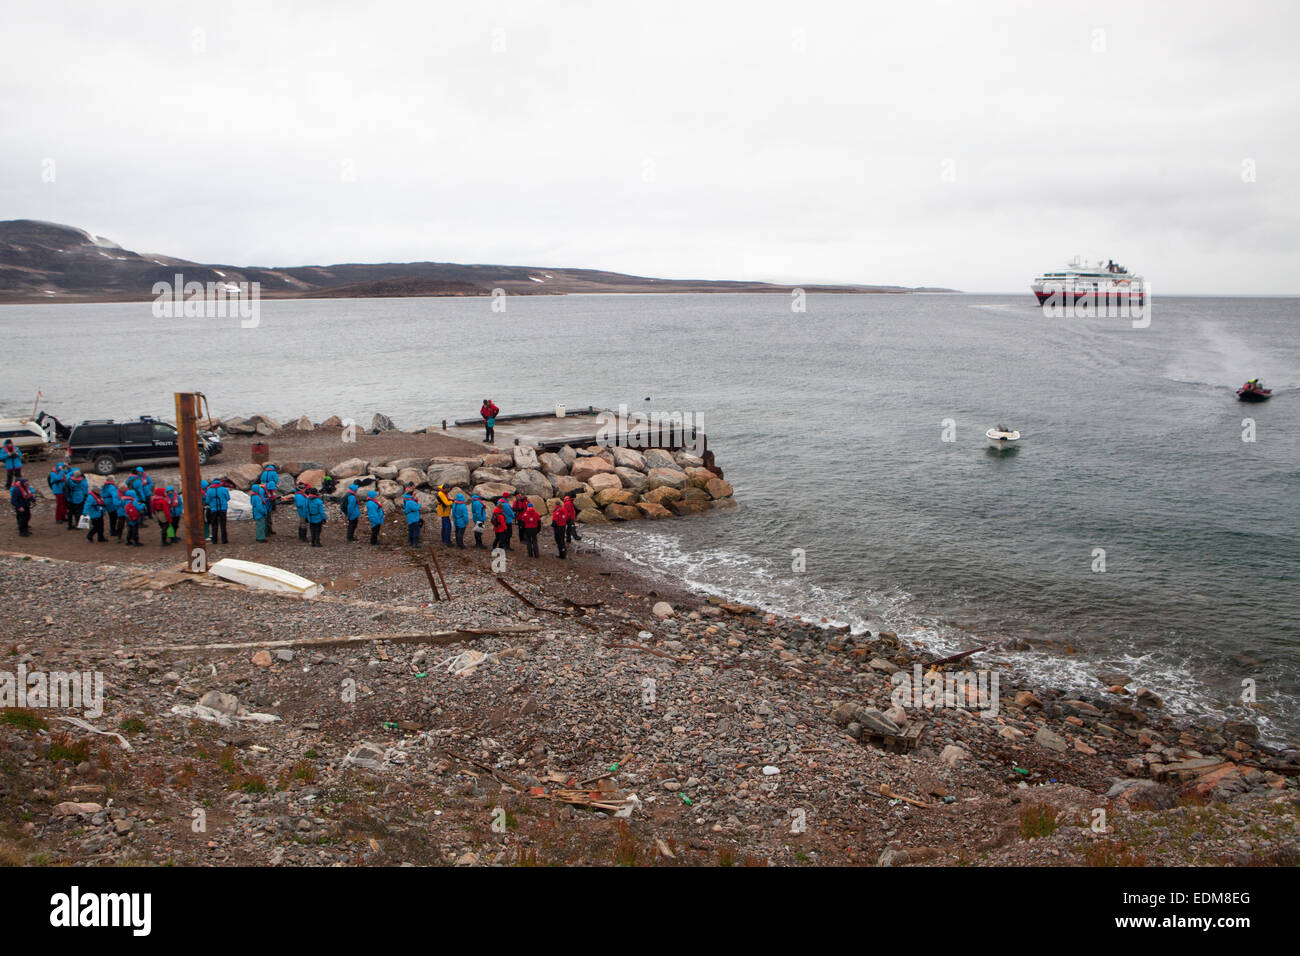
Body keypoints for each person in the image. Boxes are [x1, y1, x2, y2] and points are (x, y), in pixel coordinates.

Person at [259, 463, 279, 534]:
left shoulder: (264, 472)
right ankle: (268, 530)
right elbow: (276, 480)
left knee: (266, 516)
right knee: (269, 514)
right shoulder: (273, 472)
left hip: (264, 487)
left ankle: (267, 530)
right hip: (271, 487)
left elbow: (261, 479)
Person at [208, 479, 230, 543]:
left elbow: (207, 500)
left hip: (214, 509)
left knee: (214, 525)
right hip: (222, 509)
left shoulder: (210, 490)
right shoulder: (224, 489)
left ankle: (214, 540)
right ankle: (224, 540)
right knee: (223, 525)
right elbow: (228, 498)